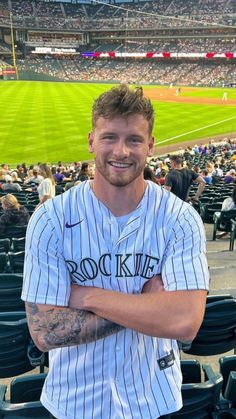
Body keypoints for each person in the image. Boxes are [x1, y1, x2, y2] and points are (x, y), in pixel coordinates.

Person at [22, 84, 209, 419]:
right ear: (91, 139)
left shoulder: (180, 219)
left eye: (134, 139)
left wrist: (88, 295)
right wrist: (148, 305)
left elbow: (184, 321)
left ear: (150, 145)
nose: (121, 151)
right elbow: (44, 331)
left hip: (153, 400)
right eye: (110, 137)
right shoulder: (50, 219)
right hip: (73, 403)